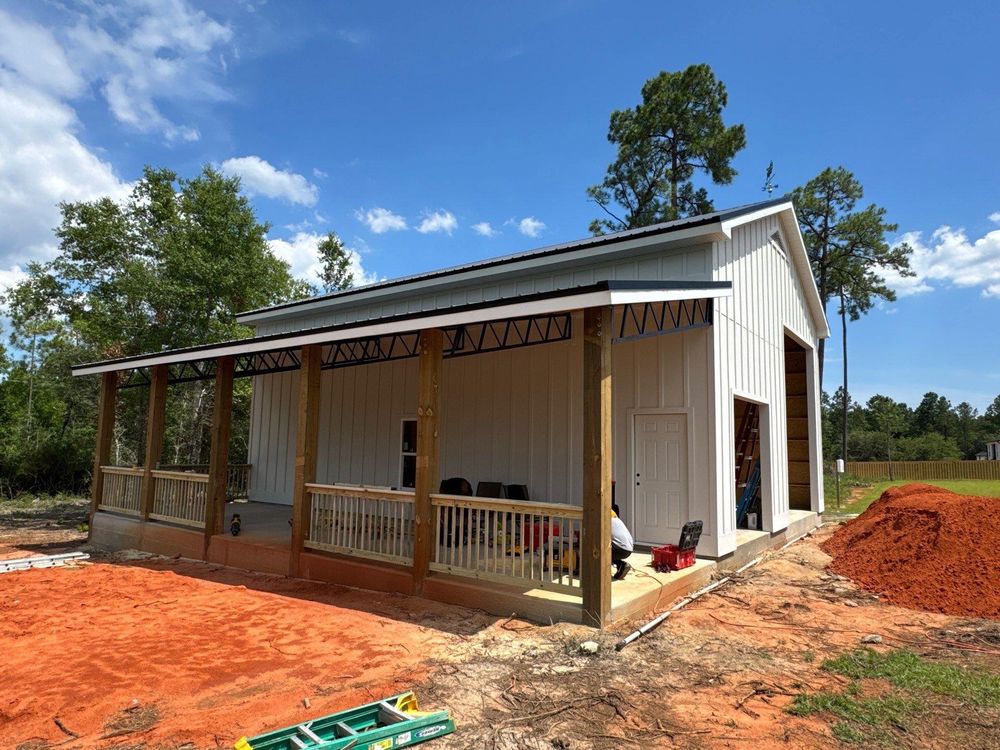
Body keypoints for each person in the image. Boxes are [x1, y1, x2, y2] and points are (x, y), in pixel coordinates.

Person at [610, 504, 633, 581]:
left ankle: (599, 572)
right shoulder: (617, 520)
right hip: (629, 549)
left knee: (599, 548)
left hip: (620, 549)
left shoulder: (606, 521)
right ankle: (621, 565)